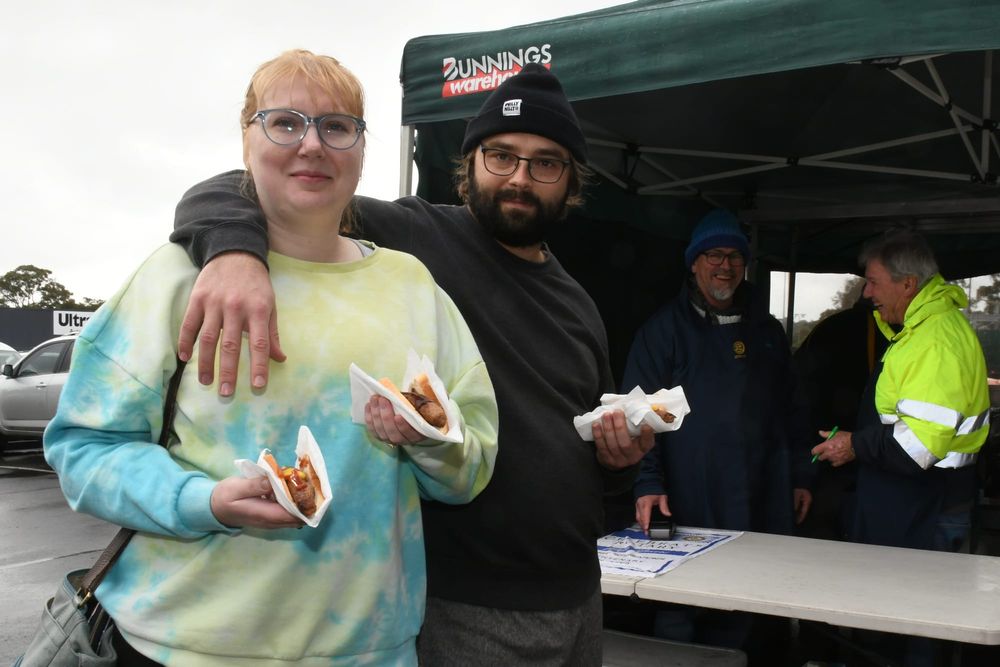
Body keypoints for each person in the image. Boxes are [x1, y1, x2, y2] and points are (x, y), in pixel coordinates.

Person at [169, 63, 653, 665]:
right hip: (466, 605)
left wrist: (619, 459)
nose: (520, 178)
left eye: (545, 163)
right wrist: (234, 253)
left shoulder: (578, 303)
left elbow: (586, 452)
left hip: (580, 592)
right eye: (501, 155)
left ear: (571, 181)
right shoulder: (415, 238)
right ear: (470, 164)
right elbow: (233, 188)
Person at [44, 49, 498, 665]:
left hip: (368, 649)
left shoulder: (413, 286)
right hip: (183, 647)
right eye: (284, 122)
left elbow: (472, 467)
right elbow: (85, 449)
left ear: (361, 149)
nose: (312, 145)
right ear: (246, 140)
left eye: (337, 126)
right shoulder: (176, 278)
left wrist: (429, 441)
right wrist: (201, 501)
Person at [622, 209, 815, 658]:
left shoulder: (767, 332)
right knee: (678, 608)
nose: (725, 266)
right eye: (714, 255)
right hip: (687, 496)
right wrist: (647, 484)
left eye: (734, 256)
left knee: (745, 607)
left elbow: (794, 410)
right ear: (694, 263)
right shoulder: (662, 332)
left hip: (760, 494)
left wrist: (803, 475)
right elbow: (637, 414)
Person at [811, 230, 990, 667]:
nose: (866, 293)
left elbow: (917, 448)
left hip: (926, 510)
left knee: (914, 633)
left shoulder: (935, 340)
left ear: (907, 284)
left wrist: (854, 445)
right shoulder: (921, 329)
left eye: (873, 282)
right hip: (914, 506)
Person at [793, 293, 887, 541]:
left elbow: (798, 394)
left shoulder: (828, 328)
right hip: (850, 453)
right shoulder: (891, 331)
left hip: (825, 449)